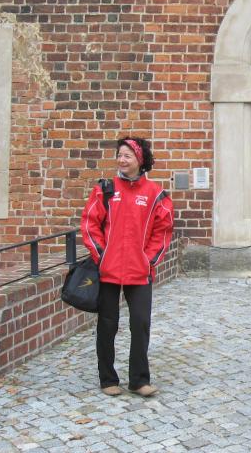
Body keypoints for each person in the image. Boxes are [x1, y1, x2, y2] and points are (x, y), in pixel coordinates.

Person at [81, 136, 174, 397]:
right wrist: (103, 256)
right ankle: (108, 379)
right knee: (107, 325)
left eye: (127, 156)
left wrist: (148, 260)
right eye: (119, 155)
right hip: (108, 271)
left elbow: (163, 230)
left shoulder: (155, 194)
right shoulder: (105, 189)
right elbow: (89, 224)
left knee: (141, 324)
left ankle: (139, 380)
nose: (121, 160)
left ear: (140, 160)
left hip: (140, 272)